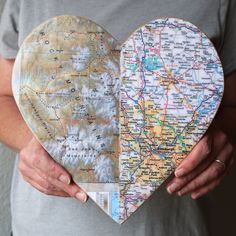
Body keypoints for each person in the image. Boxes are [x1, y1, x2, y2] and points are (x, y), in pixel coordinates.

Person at [0, 0, 235, 235]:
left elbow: (231, 105)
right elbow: (3, 95)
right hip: (45, 228)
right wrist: (29, 142)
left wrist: (223, 138)